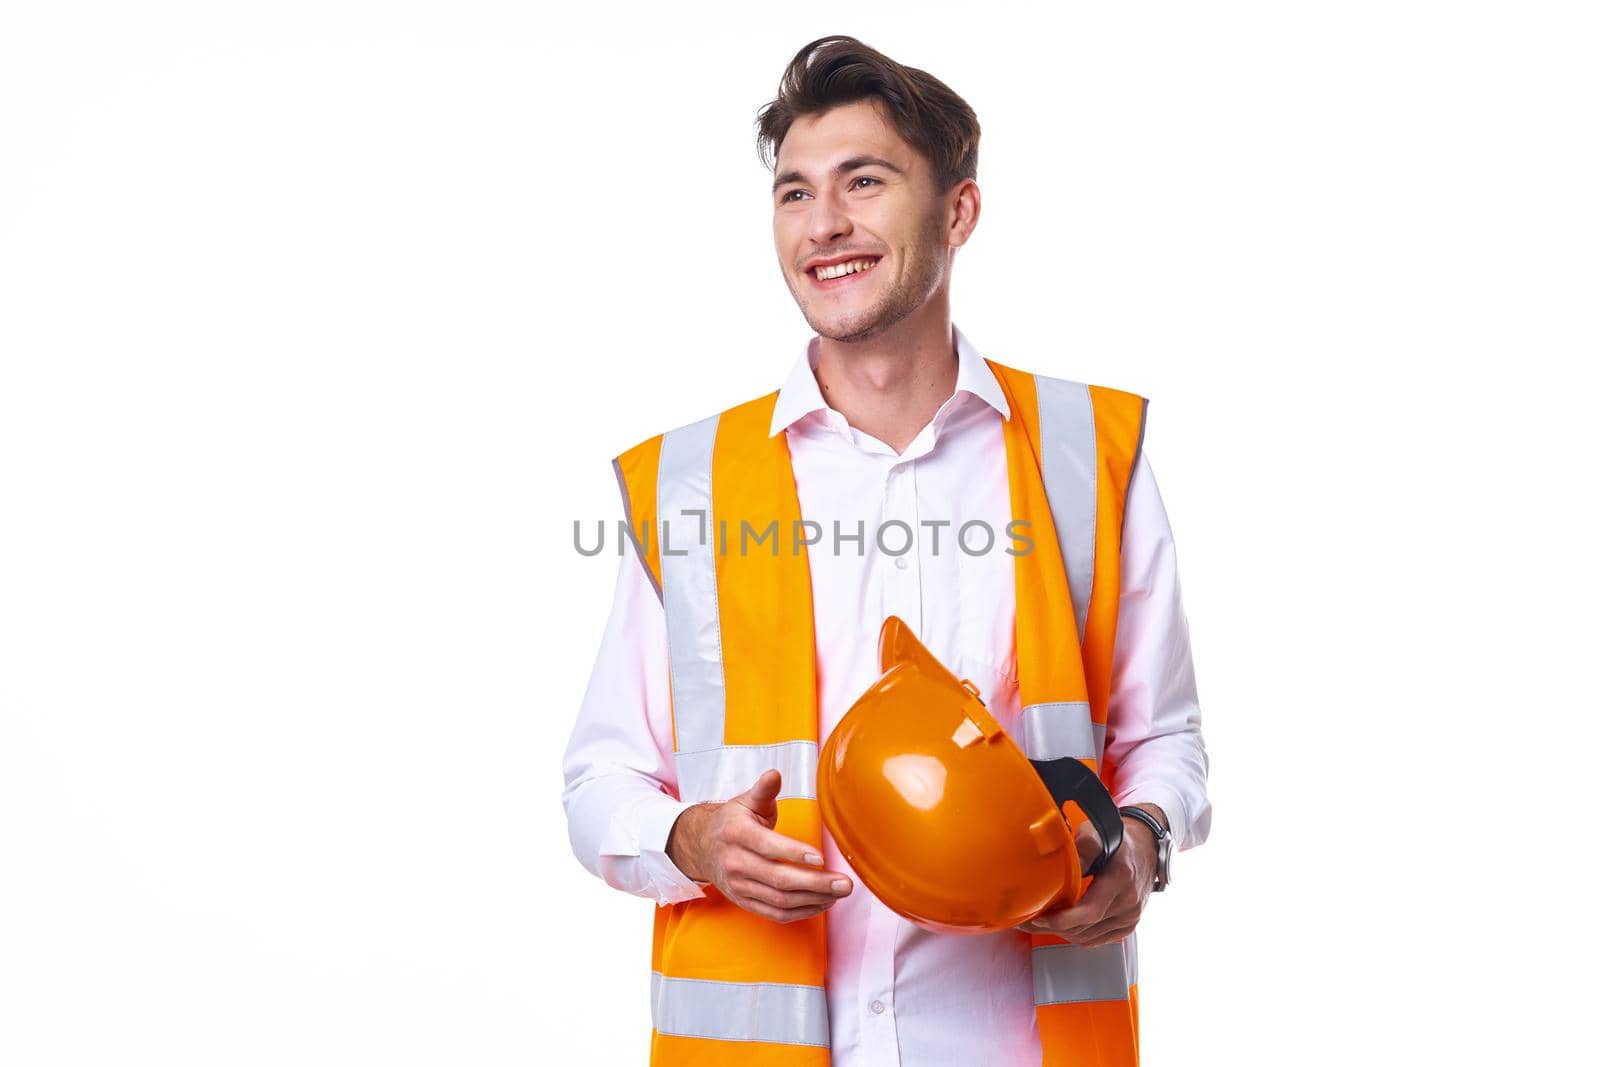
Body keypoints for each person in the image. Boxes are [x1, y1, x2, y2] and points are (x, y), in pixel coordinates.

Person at [561, 34, 1211, 1067]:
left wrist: (1141, 839)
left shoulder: (1090, 457)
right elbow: (601, 776)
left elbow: (1164, 739)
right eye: (794, 193)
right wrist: (691, 840)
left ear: (957, 210)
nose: (824, 225)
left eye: (864, 182)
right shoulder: (684, 484)